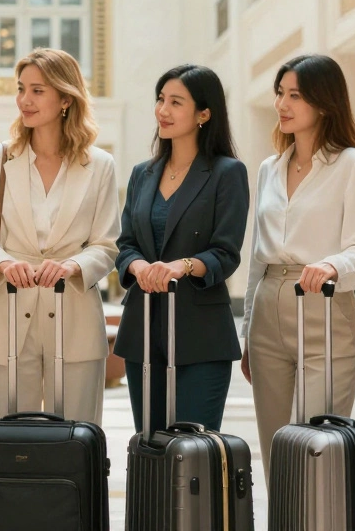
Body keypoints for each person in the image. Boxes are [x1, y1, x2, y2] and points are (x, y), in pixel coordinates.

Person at [241, 54, 355, 478]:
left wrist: (332, 266)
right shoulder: (269, 168)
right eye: (280, 94)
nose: (283, 104)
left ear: (323, 103)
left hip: (323, 305)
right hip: (268, 307)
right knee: (275, 445)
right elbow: (256, 260)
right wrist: (247, 329)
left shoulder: (353, 164)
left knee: (321, 445)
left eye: (295, 95)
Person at [0, 48, 119, 423]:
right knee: (9, 442)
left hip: (76, 316)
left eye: (38, 90)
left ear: (66, 99)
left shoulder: (99, 165)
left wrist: (71, 266)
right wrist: (3, 262)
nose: (24, 100)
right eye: (21, 89)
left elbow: (107, 244)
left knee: (80, 437)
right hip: (10, 313)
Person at [113, 64, 248, 434]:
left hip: (201, 334)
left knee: (193, 452)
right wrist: (140, 267)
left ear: (204, 113)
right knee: (151, 446)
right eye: (160, 99)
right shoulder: (142, 173)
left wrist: (182, 266)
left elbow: (226, 252)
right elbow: (124, 245)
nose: (163, 110)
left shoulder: (227, 173)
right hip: (143, 328)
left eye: (176, 102)